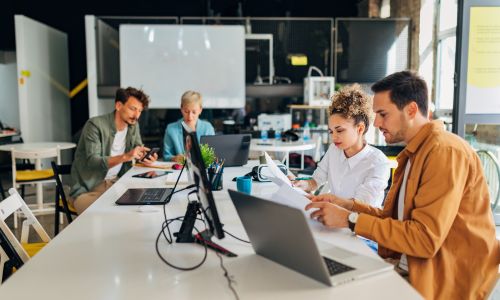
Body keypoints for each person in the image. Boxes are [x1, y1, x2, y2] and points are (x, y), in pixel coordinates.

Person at [306, 71, 499, 299]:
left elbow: (424, 239)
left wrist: (349, 219)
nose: (375, 123)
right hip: (408, 264)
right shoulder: (415, 152)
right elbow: (398, 222)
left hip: (440, 280)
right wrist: (347, 206)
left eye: (383, 114)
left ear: (411, 110)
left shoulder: (444, 152)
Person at [292, 84, 390, 207]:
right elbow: (316, 180)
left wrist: (326, 201)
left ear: (360, 129)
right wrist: (304, 184)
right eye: (331, 131)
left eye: (339, 130)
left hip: (358, 223)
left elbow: (360, 206)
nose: (333, 137)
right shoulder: (334, 150)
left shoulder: (378, 163)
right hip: (332, 217)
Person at [70, 87, 157, 214]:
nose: (136, 115)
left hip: (117, 183)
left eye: (140, 111)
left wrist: (145, 158)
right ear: (118, 105)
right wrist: (126, 156)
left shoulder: (133, 126)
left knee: (147, 203)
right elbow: (92, 161)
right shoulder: (95, 125)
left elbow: (138, 150)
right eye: (133, 109)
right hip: (89, 189)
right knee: (109, 214)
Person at [163, 90, 215, 162]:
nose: (190, 117)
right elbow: (166, 156)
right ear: (181, 109)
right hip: (179, 171)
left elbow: (212, 155)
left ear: (200, 110)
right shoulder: (171, 129)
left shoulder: (208, 128)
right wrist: (174, 158)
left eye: (194, 112)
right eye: (186, 111)